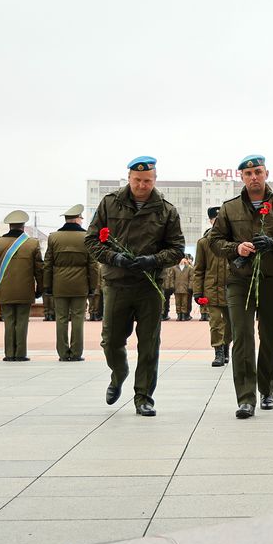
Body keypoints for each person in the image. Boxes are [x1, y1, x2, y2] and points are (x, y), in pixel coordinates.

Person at [86, 156, 185, 416]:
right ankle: (119, 372)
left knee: (149, 343)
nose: (142, 185)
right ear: (129, 178)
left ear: (155, 180)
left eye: (148, 181)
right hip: (117, 283)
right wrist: (113, 257)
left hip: (149, 286)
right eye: (138, 180)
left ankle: (144, 396)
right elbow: (92, 241)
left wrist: (153, 260)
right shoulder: (110, 203)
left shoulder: (166, 210)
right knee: (111, 341)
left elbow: (176, 249)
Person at [210, 155, 273, 418]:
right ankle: (246, 397)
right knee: (242, 336)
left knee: (271, 336)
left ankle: (267, 390)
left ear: (266, 174)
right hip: (240, 280)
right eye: (248, 173)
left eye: (258, 172)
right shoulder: (229, 209)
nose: (254, 177)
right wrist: (236, 247)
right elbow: (215, 241)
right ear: (241, 176)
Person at [0, 210, 42, 361]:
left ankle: (9, 354)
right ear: (23, 226)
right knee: (22, 322)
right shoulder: (32, 243)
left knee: (9, 322)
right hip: (25, 290)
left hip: (4, 290)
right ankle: (20, 353)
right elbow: (39, 270)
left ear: (9, 226)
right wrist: (40, 289)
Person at [44, 204, 95, 361]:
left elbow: (48, 264)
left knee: (61, 319)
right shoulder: (86, 237)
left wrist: (47, 286)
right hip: (80, 285)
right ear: (78, 219)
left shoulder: (54, 237)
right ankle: (76, 353)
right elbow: (92, 266)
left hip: (59, 284)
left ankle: (62, 353)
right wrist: (93, 287)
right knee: (78, 318)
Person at [192, 206, 232, 367]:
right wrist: (197, 292)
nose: (217, 223)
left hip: (231, 289)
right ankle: (218, 352)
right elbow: (199, 269)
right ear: (210, 221)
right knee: (215, 323)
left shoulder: (233, 241)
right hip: (212, 289)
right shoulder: (203, 243)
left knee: (230, 324)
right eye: (214, 220)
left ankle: (226, 346)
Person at [173, 255, 194, 321]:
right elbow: (172, 278)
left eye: (184, 259)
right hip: (177, 288)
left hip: (185, 288)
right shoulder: (175, 268)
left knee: (184, 302)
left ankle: (183, 315)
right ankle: (179, 315)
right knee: (177, 302)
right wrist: (172, 287)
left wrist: (190, 287)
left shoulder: (189, 268)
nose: (182, 260)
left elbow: (191, 278)